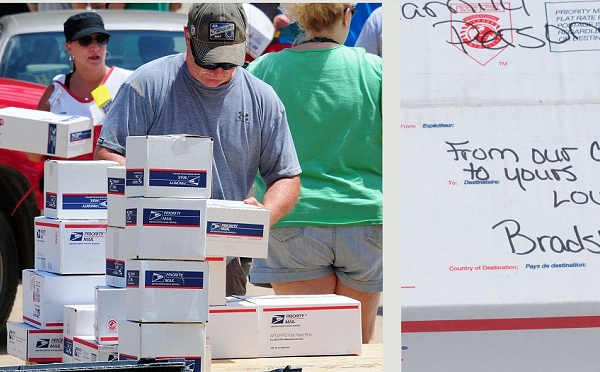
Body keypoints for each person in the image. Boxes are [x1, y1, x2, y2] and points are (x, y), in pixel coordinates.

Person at [93, 3, 302, 296]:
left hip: (225, 259)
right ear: (187, 38)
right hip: (152, 254)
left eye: (229, 62)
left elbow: (286, 176)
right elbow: (107, 154)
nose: (217, 71)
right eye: (208, 61)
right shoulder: (146, 85)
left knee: (224, 340)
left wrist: (266, 214)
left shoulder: (263, 99)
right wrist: (156, 194)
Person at [246, 3, 382, 344]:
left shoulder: (264, 69)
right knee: (357, 342)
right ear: (347, 15)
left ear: (298, 18)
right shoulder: (375, 70)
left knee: (309, 342)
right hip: (365, 216)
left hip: (292, 218)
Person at [31, 12, 133, 162]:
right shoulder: (56, 89)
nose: (95, 47)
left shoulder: (127, 82)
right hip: (66, 182)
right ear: (69, 48)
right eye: (85, 40)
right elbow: (35, 155)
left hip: (111, 182)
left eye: (101, 39)